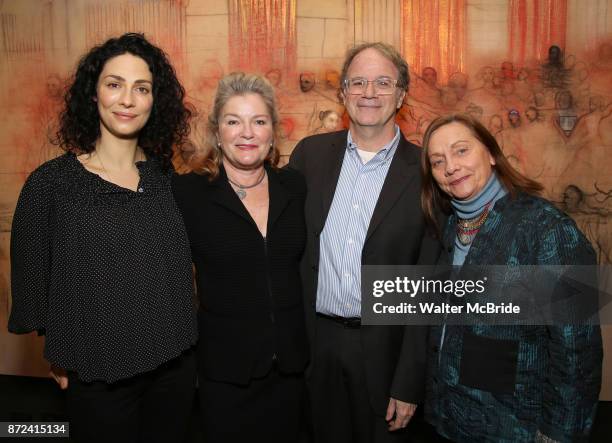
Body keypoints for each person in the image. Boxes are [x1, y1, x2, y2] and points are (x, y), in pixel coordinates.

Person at [8, 33, 197, 443]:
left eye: (141, 88)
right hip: (98, 376)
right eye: (114, 84)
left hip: (176, 369)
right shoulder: (51, 185)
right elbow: (32, 273)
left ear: (154, 101)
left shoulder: (167, 181)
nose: (127, 99)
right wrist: (52, 346)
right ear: (92, 95)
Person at [289, 42, 440, 442]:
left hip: (386, 352)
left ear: (401, 95)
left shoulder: (427, 172)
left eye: (382, 82)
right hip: (316, 345)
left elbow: (428, 287)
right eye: (357, 82)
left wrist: (409, 382)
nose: (369, 92)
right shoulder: (310, 156)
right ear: (342, 93)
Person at [420, 113, 602, 442]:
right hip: (448, 418)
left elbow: (578, 350)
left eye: (461, 151)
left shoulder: (547, 229)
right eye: (438, 161)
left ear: (491, 153)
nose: (450, 167)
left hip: (514, 427)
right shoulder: (447, 227)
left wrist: (560, 432)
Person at [171, 72, 309, 443]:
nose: (246, 132)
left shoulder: (295, 187)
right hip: (226, 374)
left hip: (292, 371)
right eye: (233, 121)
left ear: (272, 132)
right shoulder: (188, 193)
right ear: (217, 132)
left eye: (258, 121)